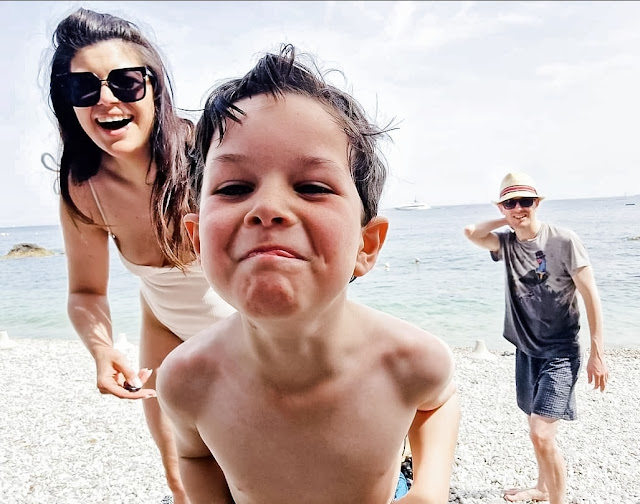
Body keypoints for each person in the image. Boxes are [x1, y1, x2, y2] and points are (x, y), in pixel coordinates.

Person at [156, 44, 460, 504]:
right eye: (235, 187)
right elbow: (195, 457)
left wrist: (429, 489)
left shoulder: (409, 360)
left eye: (312, 187)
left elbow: (438, 402)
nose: (268, 208)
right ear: (197, 241)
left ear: (367, 245)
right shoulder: (187, 379)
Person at [46, 8, 235, 504]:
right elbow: (86, 292)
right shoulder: (84, 192)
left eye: (126, 82)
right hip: (168, 339)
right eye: (83, 88)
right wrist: (103, 350)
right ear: (68, 102)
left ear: (154, 86)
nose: (106, 99)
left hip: (259, 339)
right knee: (185, 486)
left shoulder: (209, 154)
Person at [463, 172, 609, 504]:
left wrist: (597, 352)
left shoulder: (563, 241)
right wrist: (506, 218)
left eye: (525, 201)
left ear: (537, 203)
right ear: (502, 207)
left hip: (560, 350)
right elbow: (471, 232)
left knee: (542, 433)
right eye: (510, 202)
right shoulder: (506, 243)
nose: (518, 208)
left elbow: (591, 296)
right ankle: (542, 488)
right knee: (535, 427)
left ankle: (555, 499)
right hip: (526, 349)